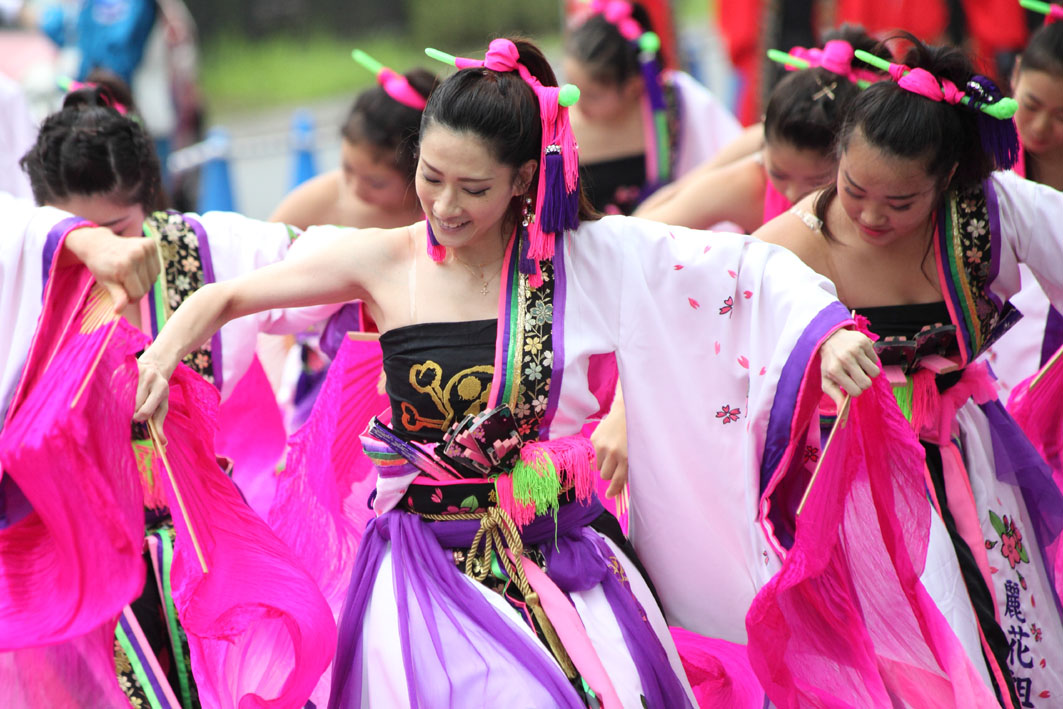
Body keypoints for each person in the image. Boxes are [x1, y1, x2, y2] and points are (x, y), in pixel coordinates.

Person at [130, 36, 895, 706]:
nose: (444, 205)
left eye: (474, 188)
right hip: (421, 561)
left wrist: (821, 332)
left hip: (546, 531)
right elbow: (230, 290)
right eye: (431, 177)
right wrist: (164, 351)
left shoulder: (583, 260)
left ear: (526, 179)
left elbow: (737, 271)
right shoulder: (383, 258)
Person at [754, 35, 1063, 706]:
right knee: (894, 655)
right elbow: (697, 327)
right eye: (854, 189)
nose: (870, 215)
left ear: (947, 178)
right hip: (845, 474)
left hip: (966, 455)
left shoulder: (990, 213)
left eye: (900, 203)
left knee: (1004, 628)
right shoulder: (788, 246)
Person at [12, 84, 337, 708]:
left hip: (208, 553)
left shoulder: (215, 251)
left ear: (152, 208)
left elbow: (340, 276)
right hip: (75, 567)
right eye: (80, 237)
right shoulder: (26, 282)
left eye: (118, 231)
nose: (106, 258)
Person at [634, 28, 881, 232]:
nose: (794, 193)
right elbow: (650, 226)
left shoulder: (877, 211)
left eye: (816, 181)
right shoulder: (750, 184)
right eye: (779, 174)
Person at [564, 0, 740, 214]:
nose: (576, 102)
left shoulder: (675, 103)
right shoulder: (556, 122)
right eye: (570, 83)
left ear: (632, 87)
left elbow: (733, 158)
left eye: (592, 95)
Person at [984, 18, 1063, 398]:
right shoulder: (981, 157)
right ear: (1015, 74)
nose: (1043, 126)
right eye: (1031, 105)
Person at [271, 61, 438, 231]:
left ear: (420, 171)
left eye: (375, 183)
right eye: (348, 169)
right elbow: (266, 247)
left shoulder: (442, 214)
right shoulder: (318, 201)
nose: (356, 189)